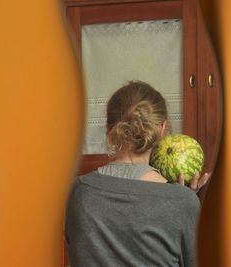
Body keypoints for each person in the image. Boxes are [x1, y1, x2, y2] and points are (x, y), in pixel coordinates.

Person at [65, 81, 210, 267]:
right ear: (162, 128)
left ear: (109, 130)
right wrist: (187, 202)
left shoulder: (77, 193)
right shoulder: (183, 202)